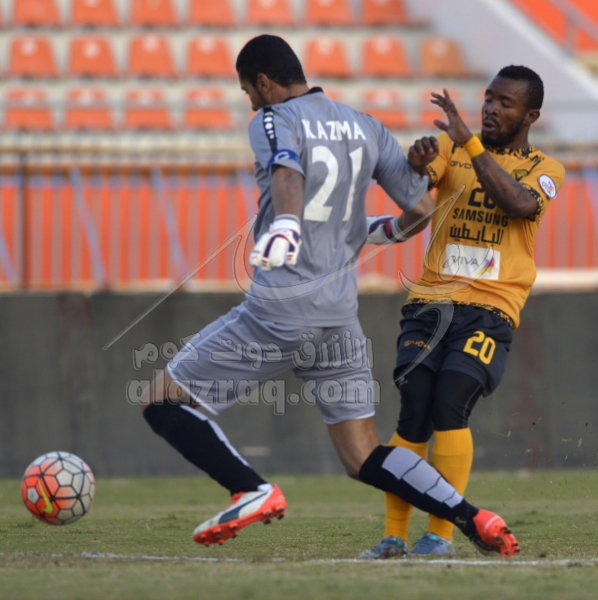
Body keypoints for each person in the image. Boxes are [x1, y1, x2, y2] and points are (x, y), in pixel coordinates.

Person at [140, 34, 519, 557]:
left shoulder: (273, 119)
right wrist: (379, 229)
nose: (250, 102)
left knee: (162, 400)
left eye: (248, 91)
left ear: (264, 82)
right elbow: (420, 212)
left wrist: (287, 225)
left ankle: (249, 489)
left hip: (281, 308)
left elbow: (287, 171)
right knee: (363, 456)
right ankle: (474, 518)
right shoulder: (366, 126)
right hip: (338, 320)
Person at [360, 65, 565, 559]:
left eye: (505, 103)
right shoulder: (449, 149)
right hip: (431, 302)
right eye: (489, 98)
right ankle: (393, 536)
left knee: (451, 403)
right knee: (414, 410)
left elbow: (516, 204)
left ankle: (440, 535)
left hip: (492, 308)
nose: (491, 108)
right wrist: (416, 164)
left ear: (530, 116)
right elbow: (413, 189)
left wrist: (469, 143)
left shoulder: (545, 170)